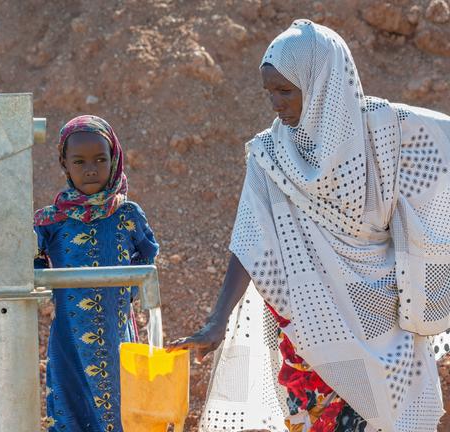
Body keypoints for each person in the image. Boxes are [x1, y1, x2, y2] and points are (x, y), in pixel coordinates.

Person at [168, 20, 450, 432]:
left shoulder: (385, 130)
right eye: (270, 93)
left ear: (324, 84)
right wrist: (217, 319)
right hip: (315, 330)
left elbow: (440, 156)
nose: (276, 105)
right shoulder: (269, 155)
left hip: (388, 320)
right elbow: (250, 242)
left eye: (286, 91)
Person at [34, 115, 159, 432]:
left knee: (121, 410)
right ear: (64, 163)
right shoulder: (51, 220)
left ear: (114, 159)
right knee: (68, 409)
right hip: (68, 338)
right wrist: (44, 288)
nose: (91, 169)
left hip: (118, 333)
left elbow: (148, 252)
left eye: (100, 159)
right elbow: (31, 260)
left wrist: (130, 291)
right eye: (79, 161)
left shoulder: (127, 214)